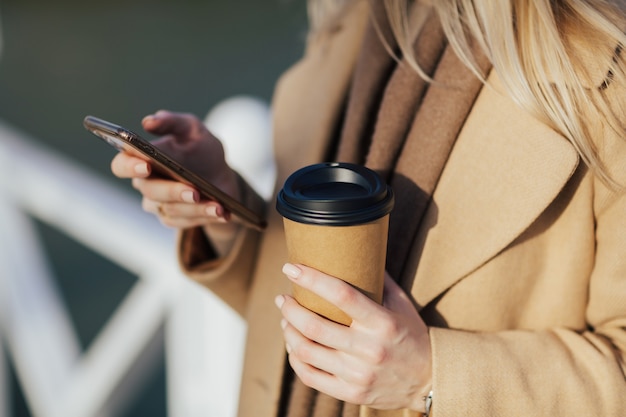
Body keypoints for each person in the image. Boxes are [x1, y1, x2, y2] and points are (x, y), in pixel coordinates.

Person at [110, 0, 626, 415]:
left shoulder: (606, 77)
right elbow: (320, 315)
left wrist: (432, 376)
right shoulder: (352, 33)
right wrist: (225, 207)